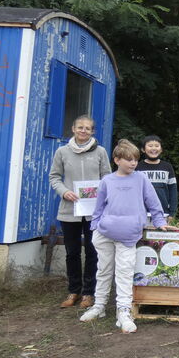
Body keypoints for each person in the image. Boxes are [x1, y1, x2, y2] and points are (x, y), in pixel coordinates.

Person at [79, 140, 173, 333]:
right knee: (103, 270)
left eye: (135, 160)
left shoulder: (141, 179)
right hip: (104, 234)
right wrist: (95, 227)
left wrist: (160, 222)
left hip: (128, 236)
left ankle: (123, 311)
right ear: (117, 160)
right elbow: (99, 208)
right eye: (129, 160)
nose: (133, 163)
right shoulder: (107, 181)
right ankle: (99, 305)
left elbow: (154, 203)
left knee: (124, 272)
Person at [49, 114, 111, 309]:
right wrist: (64, 191)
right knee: (72, 252)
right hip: (69, 210)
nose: (83, 131)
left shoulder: (100, 152)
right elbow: (54, 177)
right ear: (73, 129)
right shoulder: (62, 152)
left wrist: (99, 192)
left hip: (94, 211)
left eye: (88, 128)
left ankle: (88, 293)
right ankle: (73, 291)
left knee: (93, 251)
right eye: (80, 127)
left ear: (93, 132)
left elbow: (108, 177)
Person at [135, 135, 178, 223]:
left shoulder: (167, 167)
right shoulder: (137, 167)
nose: (154, 148)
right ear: (143, 149)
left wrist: (172, 213)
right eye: (150, 146)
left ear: (161, 149)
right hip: (141, 212)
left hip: (163, 212)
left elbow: (173, 190)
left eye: (157, 146)